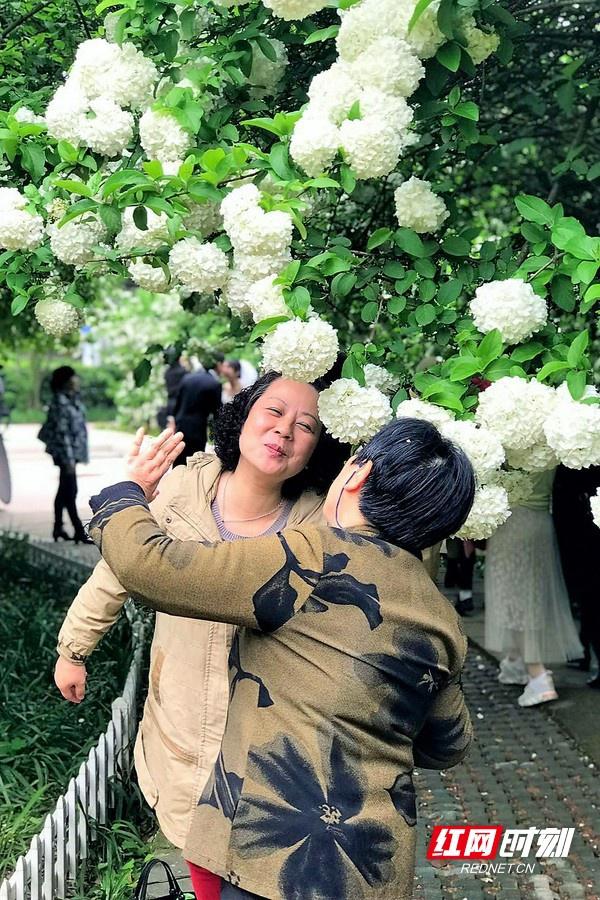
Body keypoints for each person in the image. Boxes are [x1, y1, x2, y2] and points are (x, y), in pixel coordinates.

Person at [87, 417, 476, 900]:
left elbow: (149, 567)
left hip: (277, 864)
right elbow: (448, 745)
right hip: (375, 870)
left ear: (357, 474)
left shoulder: (311, 560)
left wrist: (125, 494)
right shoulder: (440, 617)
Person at [54, 372, 350, 888]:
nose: (284, 431)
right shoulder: (180, 492)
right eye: (273, 412)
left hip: (271, 743)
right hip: (183, 719)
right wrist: (74, 647)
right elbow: (119, 568)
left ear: (315, 450)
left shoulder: (320, 524)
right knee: (198, 846)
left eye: (306, 426)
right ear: (241, 419)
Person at [484, 468, 583, 706]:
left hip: (513, 520)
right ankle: (517, 661)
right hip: (540, 520)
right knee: (528, 596)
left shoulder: (508, 435)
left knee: (515, 599)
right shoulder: (552, 437)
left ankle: (537, 675)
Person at [553, 464, 600, 688]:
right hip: (578, 531)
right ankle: (583, 650)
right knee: (587, 597)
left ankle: (585, 652)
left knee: (589, 597)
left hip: (582, 532)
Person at [38, 366, 92, 544]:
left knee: (64, 491)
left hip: (71, 454)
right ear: (67, 381)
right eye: (74, 377)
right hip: (65, 454)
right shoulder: (60, 403)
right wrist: (68, 460)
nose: (77, 380)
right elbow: (62, 434)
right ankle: (78, 530)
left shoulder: (71, 400)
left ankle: (58, 527)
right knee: (70, 491)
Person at [172, 363, 222, 466]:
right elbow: (217, 412)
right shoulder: (214, 384)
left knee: (179, 457)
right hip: (198, 428)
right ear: (218, 365)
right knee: (195, 461)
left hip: (182, 424)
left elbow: (178, 402)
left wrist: (175, 419)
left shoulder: (187, 378)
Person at [157, 350, 189, 430]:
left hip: (171, 402)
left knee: (170, 428)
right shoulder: (183, 371)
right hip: (181, 403)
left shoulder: (167, 372)